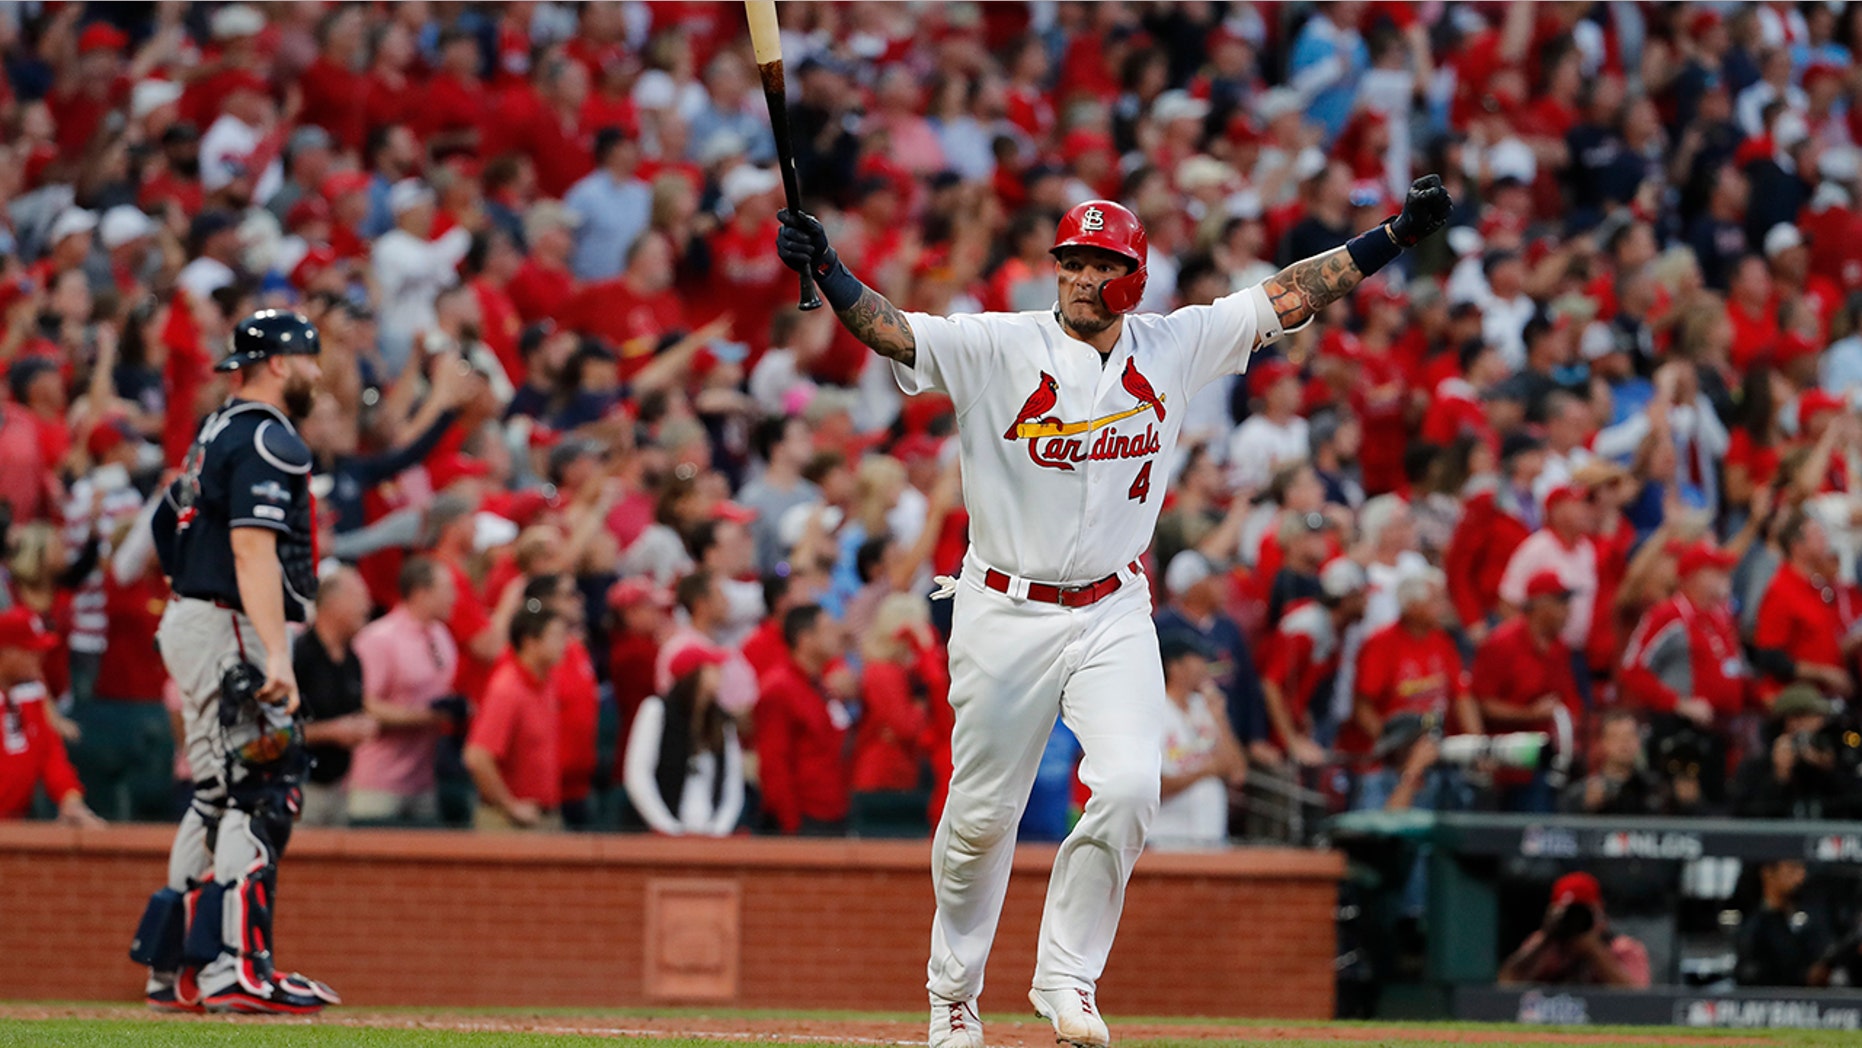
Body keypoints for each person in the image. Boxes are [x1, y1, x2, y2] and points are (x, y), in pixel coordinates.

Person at [776, 172, 1451, 1046]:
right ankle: (953, 995)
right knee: (980, 818)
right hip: (1002, 608)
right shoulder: (998, 344)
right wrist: (828, 267)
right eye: (1072, 262)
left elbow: (1288, 290)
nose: (1082, 278)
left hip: (1113, 608)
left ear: (1134, 276)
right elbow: (893, 330)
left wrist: (1392, 235)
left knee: (1133, 785)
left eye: (1101, 264)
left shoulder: (1175, 342)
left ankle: (1067, 978)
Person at [132, 310, 339, 1014]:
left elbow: (168, 521)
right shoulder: (266, 436)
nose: (318, 372)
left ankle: (174, 968)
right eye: (310, 360)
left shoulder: (216, 427)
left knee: (216, 795)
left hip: (196, 617)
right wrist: (275, 651)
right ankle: (235, 967)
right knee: (263, 786)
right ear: (280, 363)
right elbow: (253, 548)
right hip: (230, 624)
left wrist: (191, 587)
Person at [346, 558, 459, 826]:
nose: (453, 597)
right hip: (379, 784)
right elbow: (364, 704)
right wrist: (426, 716)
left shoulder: (441, 635)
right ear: (421, 593)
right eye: (446, 589)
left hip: (423, 781)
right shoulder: (380, 638)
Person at [1471, 570, 1582, 812]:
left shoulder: (1558, 647)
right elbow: (1482, 704)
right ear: (1540, 605)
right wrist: (1530, 714)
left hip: (1547, 760)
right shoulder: (1501, 643)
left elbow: (1568, 699)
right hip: (1505, 765)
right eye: (1561, 603)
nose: (1568, 610)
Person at [463, 604, 569, 831]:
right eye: (556, 636)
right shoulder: (508, 689)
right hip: (511, 824)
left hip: (545, 814)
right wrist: (510, 805)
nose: (565, 644)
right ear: (530, 642)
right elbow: (477, 756)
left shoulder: (546, 683)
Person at [623, 645, 744, 837]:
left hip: (710, 836)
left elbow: (733, 785)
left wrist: (718, 830)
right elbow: (638, 775)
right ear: (695, 673)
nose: (720, 673)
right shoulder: (656, 711)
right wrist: (668, 827)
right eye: (712, 667)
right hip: (661, 835)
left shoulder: (722, 722)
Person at [753, 603, 854, 836]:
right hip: (806, 820)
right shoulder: (779, 690)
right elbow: (774, 765)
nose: (837, 633)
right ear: (805, 639)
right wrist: (792, 828)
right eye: (828, 628)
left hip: (834, 812)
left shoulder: (820, 685)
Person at [0, 607, 104, 826]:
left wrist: (70, 801)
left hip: (14, 825)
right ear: (6, 652)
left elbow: (50, 753)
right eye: (30, 650)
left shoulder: (31, 692)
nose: (40, 656)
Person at [291, 566, 376, 827]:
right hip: (301, 787)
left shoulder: (353, 660)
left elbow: (356, 709)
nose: (368, 606)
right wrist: (331, 732)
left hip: (339, 788)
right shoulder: (299, 656)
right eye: (359, 598)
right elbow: (273, 732)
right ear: (333, 604)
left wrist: (362, 725)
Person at [1151, 632, 1247, 849]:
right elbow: (1154, 787)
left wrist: (1219, 717)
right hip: (1165, 842)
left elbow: (1237, 772)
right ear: (1174, 665)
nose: (1205, 666)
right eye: (1197, 659)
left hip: (1211, 839)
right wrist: (1206, 770)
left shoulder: (1203, 707)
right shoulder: (1154, 712)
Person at [1498, 872, 1653, 988]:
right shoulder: (1544, 945)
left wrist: (1594, 951)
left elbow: (1638, 999)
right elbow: (1506, 984)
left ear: (1600, 914)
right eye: (1568, 913)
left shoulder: (1623, 948)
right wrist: (1546, 939)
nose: (1575, 920)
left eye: (1583, 912)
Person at [1735, 859, 1853, 987]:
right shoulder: (1755, 928)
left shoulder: (1808, 917)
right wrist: (1804, 977)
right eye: (1793, 868)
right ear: (1768, 873)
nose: (1801, 876)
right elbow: (1752, 978)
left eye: (1802, 869)